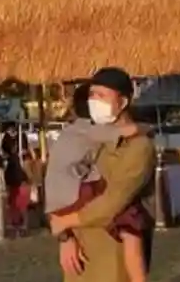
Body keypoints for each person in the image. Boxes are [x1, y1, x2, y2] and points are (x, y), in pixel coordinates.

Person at [48, 67, 156, 282]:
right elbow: (58, 183)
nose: (94, 101)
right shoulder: (86, 137)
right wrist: (65, 237)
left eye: (101, 95)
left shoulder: (139, 147)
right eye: (92, 94)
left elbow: (113, 201)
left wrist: (67, 221)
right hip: (79, 249)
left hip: (112, 248)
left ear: (122, 102)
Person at [0, 123, 29, 236]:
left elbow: (25, 150)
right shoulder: (6, 137)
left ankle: (22, 222)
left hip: (20, 170)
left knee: (21, 200)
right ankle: (13, 221)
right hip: (11, 170)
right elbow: (4, 151)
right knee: (12, 199)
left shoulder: (21, 136)